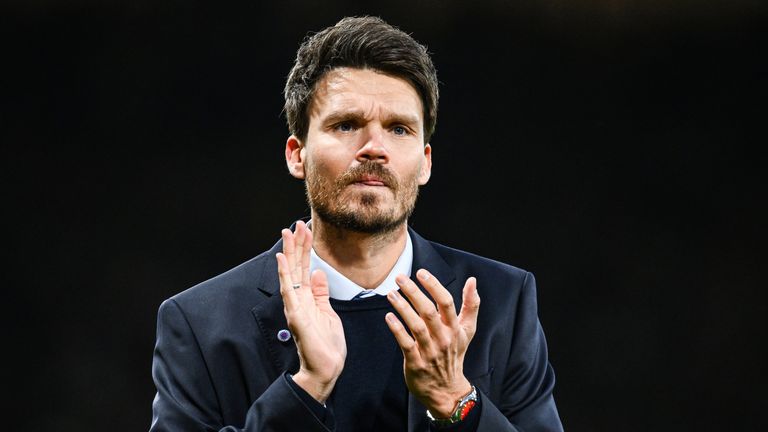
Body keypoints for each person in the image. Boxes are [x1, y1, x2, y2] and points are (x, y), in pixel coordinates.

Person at [150, 16, 563, 432]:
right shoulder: (200, 322)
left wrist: (455, 401)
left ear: (425, 162)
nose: (374, 148)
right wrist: (306, 389)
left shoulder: (502, 303)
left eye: (399, 129)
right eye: (346, 125)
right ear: (297, 154)